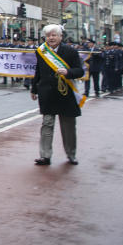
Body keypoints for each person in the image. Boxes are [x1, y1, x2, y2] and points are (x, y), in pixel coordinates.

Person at [31, 24, 84, 165]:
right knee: (47, 124)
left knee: (68, 126)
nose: (51, 38)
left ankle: (71, 154)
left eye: (54, 35)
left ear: (61, 36)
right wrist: (34, 89)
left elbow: (80, 71)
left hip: (65, 94)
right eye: (48, 35)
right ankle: (45, 155)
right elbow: (38, 71)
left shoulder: (71, 52)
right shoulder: (41, 51)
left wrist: (68, 72)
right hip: (47, 93)